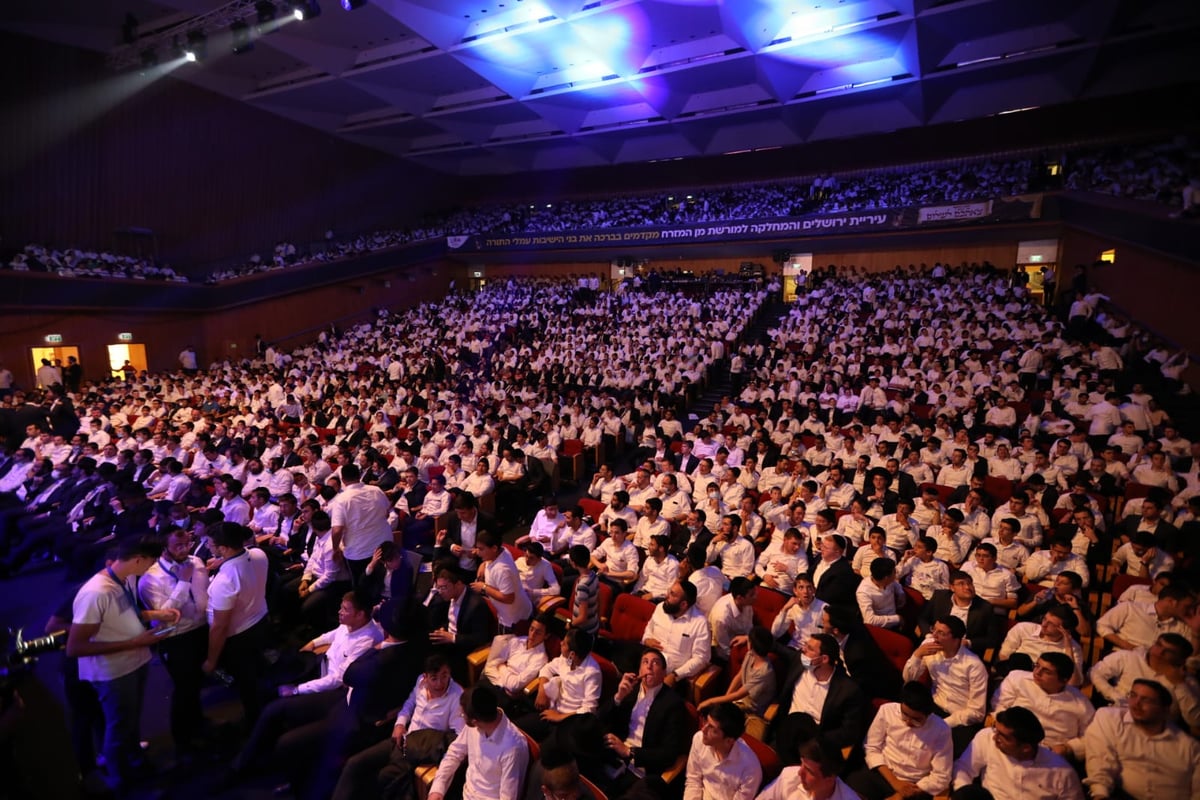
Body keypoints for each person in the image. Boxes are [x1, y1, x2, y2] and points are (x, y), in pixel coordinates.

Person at [65, 535, 175, 794]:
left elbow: (125, 614)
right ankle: (121, 782)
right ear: (138, 559)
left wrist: (156, 615)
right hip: (114, 671)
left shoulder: (122, 580)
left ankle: (137, 764)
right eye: (149, 564)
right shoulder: (96, 592)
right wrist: (135, 642)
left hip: (134, 662)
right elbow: (75, 647)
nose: (149, 570)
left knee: (130, 720)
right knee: (118, 726)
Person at [232, 590, 383, 776]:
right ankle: (256, 740)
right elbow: (332, 635)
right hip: (319, 664)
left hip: (331, 688)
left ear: (360, 614)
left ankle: (244, 762)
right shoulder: (350, 624)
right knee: (267, 680)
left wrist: (297, 690)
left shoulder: (367, 640)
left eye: (344, 609)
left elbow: (337, 680)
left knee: (275, 703)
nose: (339, 612)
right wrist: (312, 643)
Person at [137, 527, 209, 754]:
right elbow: (166, 615)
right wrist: (183, 582)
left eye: (187, 543)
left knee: (198, 682)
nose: (185, 549)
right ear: (164, 549)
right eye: (178, 546)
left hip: (201, 630)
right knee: (183, 689)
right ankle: (182, 741)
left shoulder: (196, 561)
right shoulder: (150, 578)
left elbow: (203, 597)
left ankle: (199, 724)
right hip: (176, 639)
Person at [1083, 678, 1200, 800]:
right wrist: (1100, 794)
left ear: (1164, 710)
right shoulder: (1109, 718)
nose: (1136, 703)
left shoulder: (1189, 747)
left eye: (1146, 699)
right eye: (1133, 695)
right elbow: (1100, 764)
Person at [202, 522, 270, 726]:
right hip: (260, 620)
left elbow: (220, 626)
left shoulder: (225, 581)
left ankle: (256, 723)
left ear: (223, 548)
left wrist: (211, 661)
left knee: (247, 684)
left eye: (211, 545)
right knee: (258, 673)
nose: (208, 548)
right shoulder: (258, 554)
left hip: (239, 637)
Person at [847, 681, 953, 800]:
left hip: (914, 784)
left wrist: (901, 794)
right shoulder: (887, 711)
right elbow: (872, 748)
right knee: (848, 791)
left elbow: (941, 776)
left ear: (928, 715)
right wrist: (895, 782)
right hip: (883, 772)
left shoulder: (941, 730)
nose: (908, 722)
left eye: (916, 720)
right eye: (904, 715)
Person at [952, 706, 1084, 800]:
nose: (994, 738)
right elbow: (964, 768)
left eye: (1003, 736)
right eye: (995, 730)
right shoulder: (986, 738)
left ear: (1026, 748)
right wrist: (966, 793)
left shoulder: (1062, 772)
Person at [903, 616, 987, 756]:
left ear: (956, 639)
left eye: (941, 633)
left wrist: (944, 723)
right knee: (910, 743)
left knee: (946, 756)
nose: (933, 636)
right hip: (934, 706)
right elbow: (909, 680)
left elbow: (977, 713)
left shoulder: (974, 666)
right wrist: (917, 655)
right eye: (933, 630)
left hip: (960, 718)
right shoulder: (929, 646)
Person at [428, 686, 530, 800]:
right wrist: (437, 789)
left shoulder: (512, 749)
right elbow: (454, 753)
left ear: (475, 721)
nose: (461, 716)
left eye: (462, 715)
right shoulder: (475, 724)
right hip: (466, 793)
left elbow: (508, 797)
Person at [774, 632, 868, 756]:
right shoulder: (799, 662)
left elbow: (849, 732)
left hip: (816, 744)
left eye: (810, 649)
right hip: (786, 731)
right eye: (806, 645)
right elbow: (776, 647)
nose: (803, 650)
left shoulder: (848, 690)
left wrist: (818, 739)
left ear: (824, 659)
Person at [991, 653, 1093, 758]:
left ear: (1064, 680)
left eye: (1046, 671)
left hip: (1053, 756)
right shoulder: (1017, 679)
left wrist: (1068, 748)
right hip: (1013, 746)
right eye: (1037, 666)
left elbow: (1092, 737)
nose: (1037, 672)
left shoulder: (1080, 703)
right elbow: (1000, 706)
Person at [1089, 632, 1200, 728]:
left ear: (1179, 659)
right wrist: (1114, 695)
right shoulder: (1128, 657)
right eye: (1158, 645)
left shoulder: (1187, 682)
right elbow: (1095, 672)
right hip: (1119, 719)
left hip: (1157, 733)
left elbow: (1195, 721)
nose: (1159, 652)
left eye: (1167, 651)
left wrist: (1179, 685)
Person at [427, 566, 493, 684]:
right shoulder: (448, 597)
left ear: (457, 584)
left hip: (463, 649)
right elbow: (451, 619)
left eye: (444, 588)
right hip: (448, 640)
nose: (440, 592)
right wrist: (444, 628)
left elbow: (481, 637)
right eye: (439, 588)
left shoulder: (476, 605)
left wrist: (452, 638)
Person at [329, 463, 393, 583]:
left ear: (343, 480)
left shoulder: (341, 500)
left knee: (363, 588)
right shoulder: (376, 490)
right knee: (385, 583)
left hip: (360, 551)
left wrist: (335, 549)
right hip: (384, 544)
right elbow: (386, 513)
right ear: (359, 476)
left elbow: (337, 530)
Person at [684, 702, 762, 800]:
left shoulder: (750, 767)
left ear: (729, 740)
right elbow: (693, 780)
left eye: (712, 728)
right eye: (706, 721)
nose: (703, 729)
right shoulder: (699, 739)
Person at [641, 580, 712, 686]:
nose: (666, 596)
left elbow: (701, 659)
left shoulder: (700, 623)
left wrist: (676, 675)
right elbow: (649, 629)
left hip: (670, 673)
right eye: (669, 591)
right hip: (647, 660)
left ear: (683, 604)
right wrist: (647, 639)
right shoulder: (661, 607)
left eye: (672, 594)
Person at [700, 626, 777, 718]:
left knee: (716, 717)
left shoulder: (764, 673)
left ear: (751, 645)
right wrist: (725, 700)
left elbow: (738, 694)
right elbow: (739, 676)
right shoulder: (750, 655)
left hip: (752, 710)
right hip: (740, 701)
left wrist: (711, 701)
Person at [478, 614, 551, 710]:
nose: (532, 634)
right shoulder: (517, 640)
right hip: (495, 683)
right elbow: (495, 663)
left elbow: (515, 686)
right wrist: (504, 680)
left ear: (546, 636)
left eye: (538, 632)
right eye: (531, 629)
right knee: (473, 694)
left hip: (505, 696)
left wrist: (502, 667)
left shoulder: (540, 659)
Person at [755, 737, 857, 800]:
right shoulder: (789, 776)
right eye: (802, 764)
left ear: (830, 779)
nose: (800, 772)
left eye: (809, 770)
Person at [472, 529, 532, 633]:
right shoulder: (501, 550)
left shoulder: (502, 569)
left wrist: (483, 587)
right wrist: (483, 565)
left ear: (494, 548)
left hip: (513, 621)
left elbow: (509, 598)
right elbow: (489, 560)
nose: (478, 552)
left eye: (481, 549)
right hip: (514, 611)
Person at [709, 576, 757, 663]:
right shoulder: (722, 617)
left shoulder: (747, 603)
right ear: (740, 598)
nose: (756, 597)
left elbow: (749, 628)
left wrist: (749, 639)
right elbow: (723, 649)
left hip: (745, 640)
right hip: (727, 651)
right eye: (752, 595)